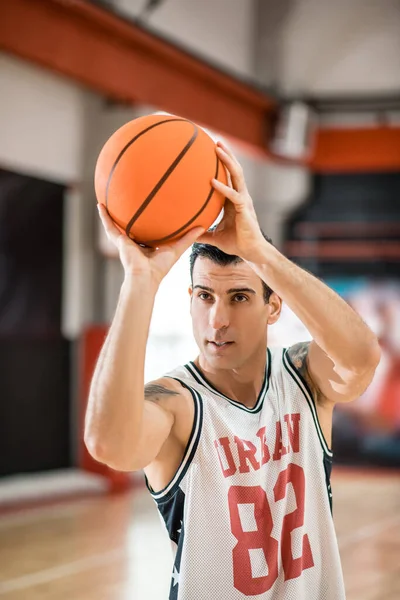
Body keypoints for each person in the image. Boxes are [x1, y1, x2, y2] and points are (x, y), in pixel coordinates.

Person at [85, 141, 381, 600]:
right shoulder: (179, 405)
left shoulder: (305, 379)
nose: (217, 319)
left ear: (273, 307)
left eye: (239, 297)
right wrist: (139, 282)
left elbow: (362, 358)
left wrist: (259, 251)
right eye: (204, 296)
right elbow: (107, 443)